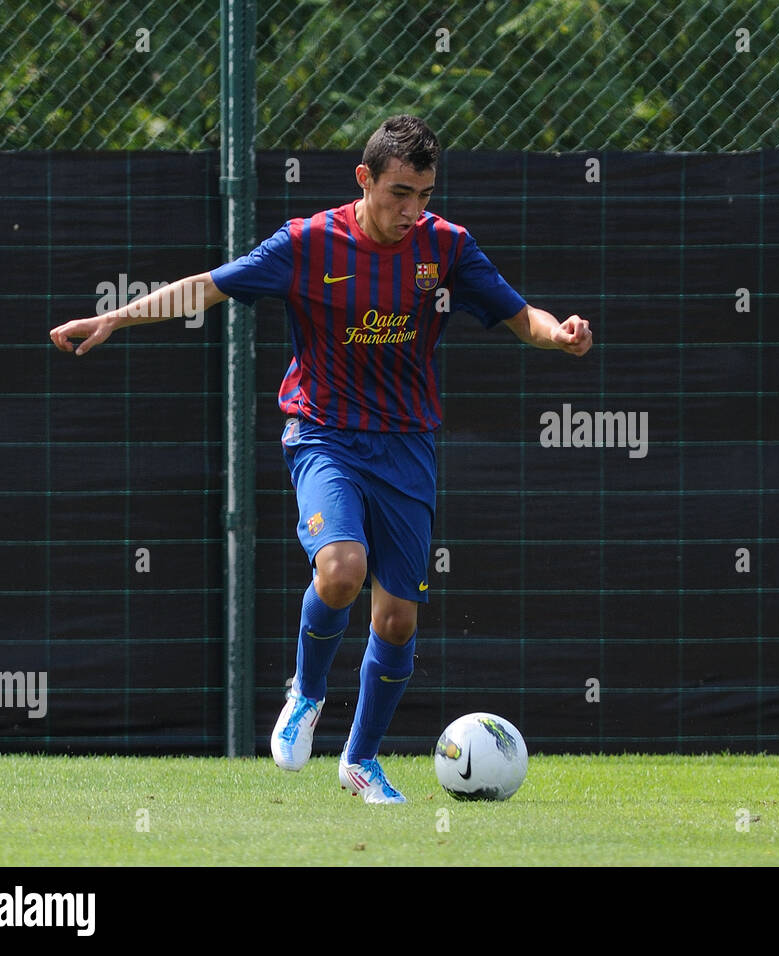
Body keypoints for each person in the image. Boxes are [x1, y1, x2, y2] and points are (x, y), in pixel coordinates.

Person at [50, 114, 593, 804]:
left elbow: (522, 317)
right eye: (400, 193)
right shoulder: (309, 244)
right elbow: (210, 287)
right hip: (325, 434)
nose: (411, 210)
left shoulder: (446, 245)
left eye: (424, 194)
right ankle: (306, 692)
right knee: (341, 571)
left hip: (407, 447)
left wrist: (560, 333)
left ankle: (360, 760)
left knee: (396, 621)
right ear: (364, 179)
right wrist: (115, 319)